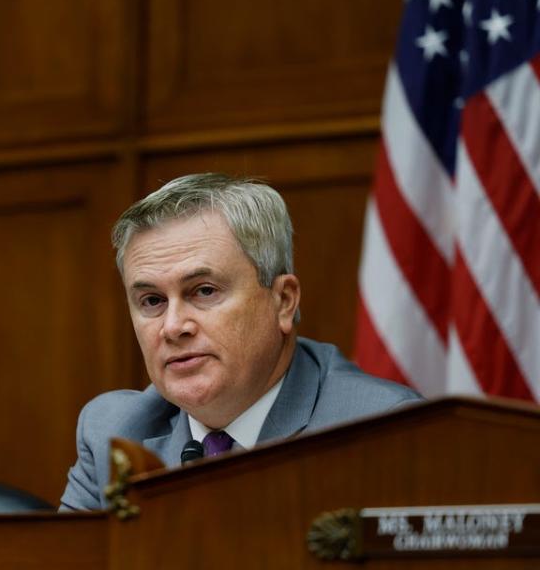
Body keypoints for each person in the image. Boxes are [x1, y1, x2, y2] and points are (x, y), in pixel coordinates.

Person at [60, 173, 420, 511]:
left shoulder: (384, 433)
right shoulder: (113, 433)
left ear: (283, 301)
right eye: (152, 301)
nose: (172, 327)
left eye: (204, 291)